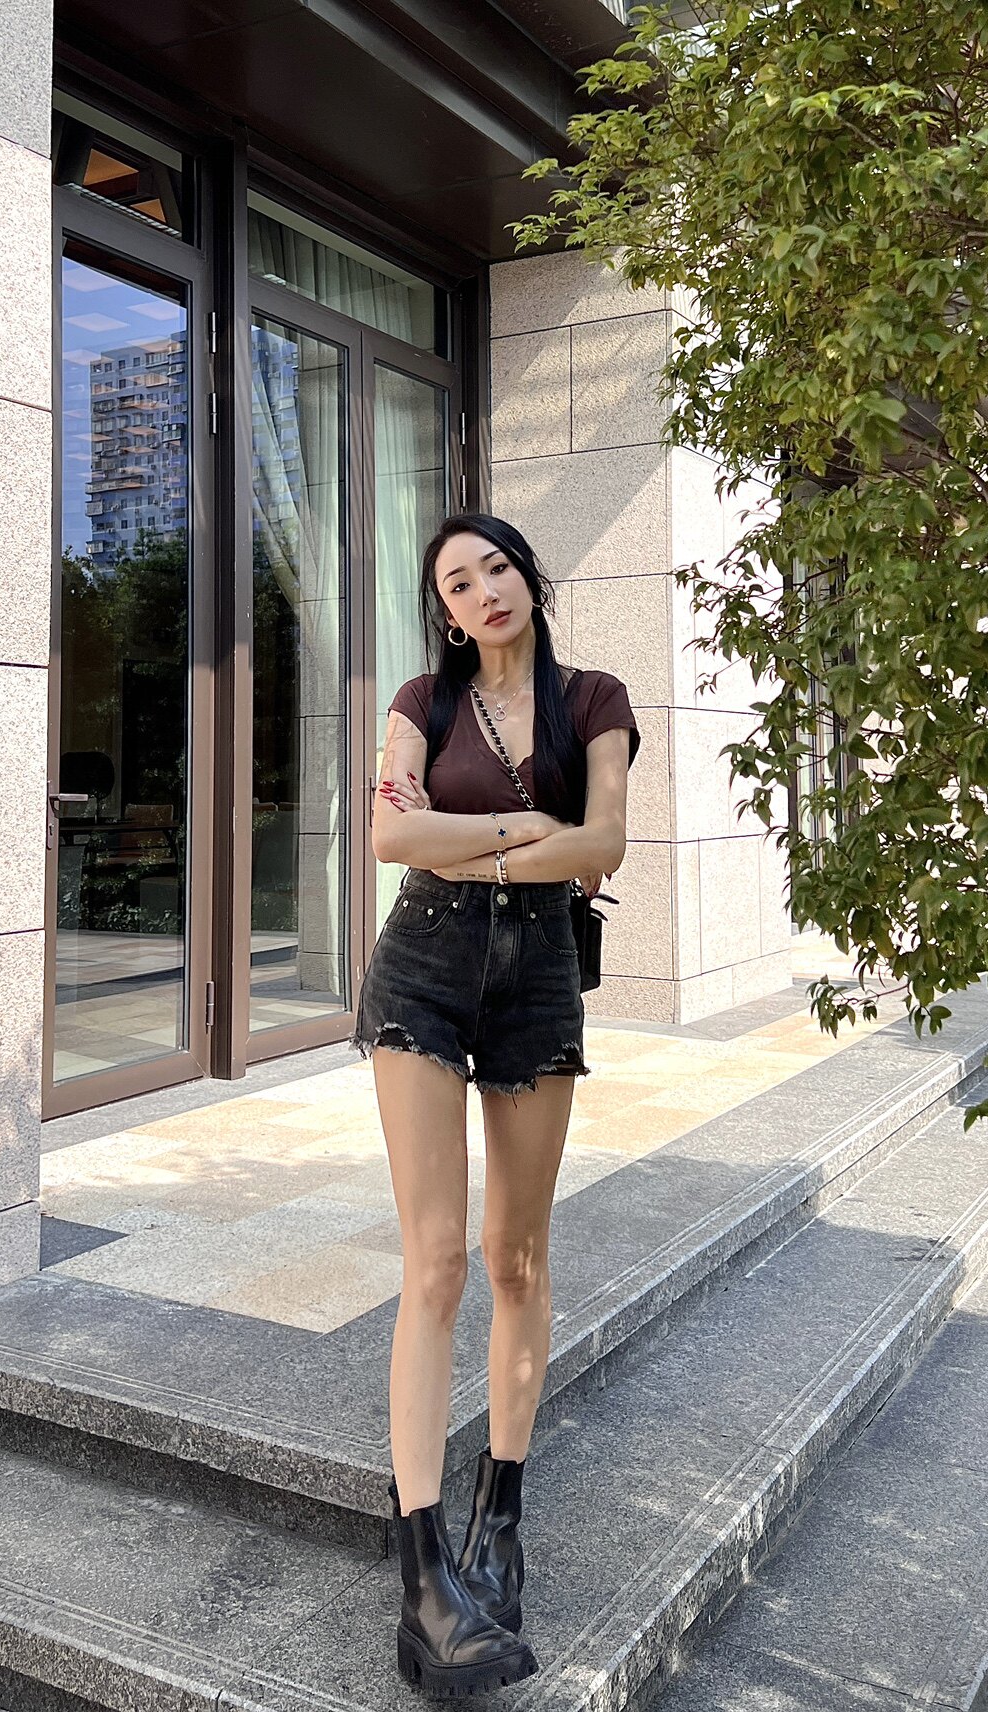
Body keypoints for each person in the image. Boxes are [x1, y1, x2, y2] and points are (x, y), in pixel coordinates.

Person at [349, 513, 640, 1696]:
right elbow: (389, 831)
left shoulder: (595, 698)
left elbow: (605, 844)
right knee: (435, 1263)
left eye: (498, 568)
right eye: (458, 582)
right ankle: (425, 1581)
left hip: (538, 978)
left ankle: (498, 1518)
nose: (484, 591)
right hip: (421, 964)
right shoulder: (420, 701)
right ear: (448, 611)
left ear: (529, 576)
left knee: (515, 1257)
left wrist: (476, 845)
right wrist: (527, 828)